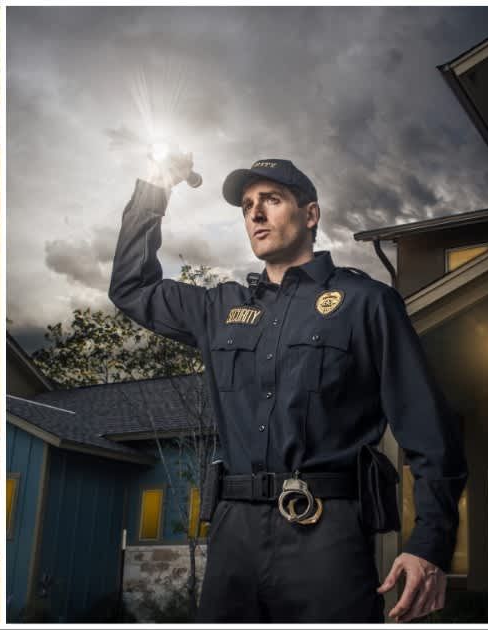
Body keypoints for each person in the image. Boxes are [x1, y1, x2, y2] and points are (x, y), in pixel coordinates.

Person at [108, 153, 466, 623]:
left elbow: (428, 430)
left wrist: (430, 543)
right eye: (247, 206)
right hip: (233, 535)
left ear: (310, 214)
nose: (255, 213)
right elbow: (131, 286)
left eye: (271, 200)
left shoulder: (366, 303)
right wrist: (155, 188)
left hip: (326, 534)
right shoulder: (219, 309)